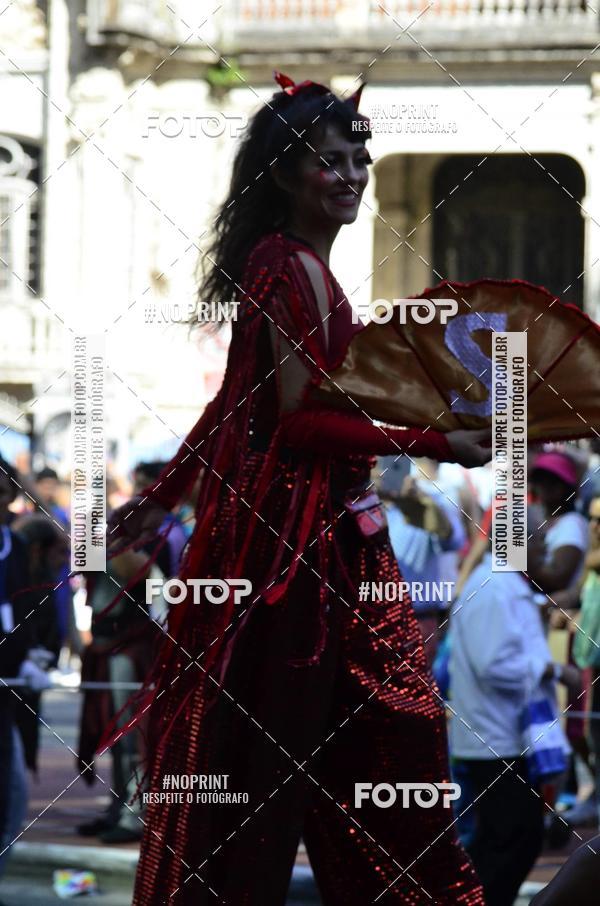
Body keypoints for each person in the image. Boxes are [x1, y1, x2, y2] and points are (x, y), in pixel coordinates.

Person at [108, 74, 491, 905]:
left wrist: (161, 499)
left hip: (295, 544)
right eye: (330, 160)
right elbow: (297, 423)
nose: (351, 175)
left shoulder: (287, 265)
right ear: (284, 173)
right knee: (386, 742)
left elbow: (233, 404)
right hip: (305, 555)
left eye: (359, 159)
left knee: (299, 760)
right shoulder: (289, 268)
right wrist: (436, 442)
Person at [449, 520, 580, 906]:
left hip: (504, 738)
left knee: (508, 839)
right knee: (511, 841)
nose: (545, 551)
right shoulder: (493, 590)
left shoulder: (505, 587)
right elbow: (494, 666)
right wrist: (553, 670)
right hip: (495, 740)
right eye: (539, 542)